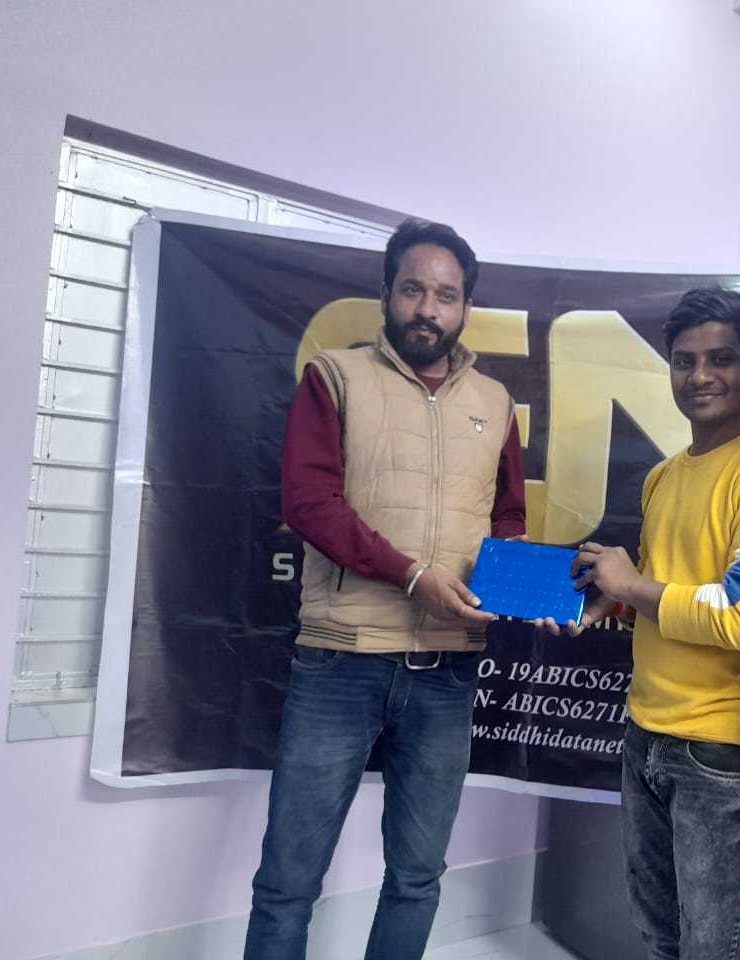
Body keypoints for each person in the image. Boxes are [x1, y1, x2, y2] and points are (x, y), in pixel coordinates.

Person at [244, 219, 526, 960]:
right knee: (287, 883)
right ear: (385, 294)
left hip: (449, 671)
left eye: (446, 296)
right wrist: (411, 576)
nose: (428, 309)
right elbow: (309, 503)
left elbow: (508, 517)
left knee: (417, 878)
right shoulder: (335, 376)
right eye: (413, 290)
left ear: (466, 307)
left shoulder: (495, 401)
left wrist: (525, 591)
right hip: (341, 661)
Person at [547, 287, 740, 960]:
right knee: (661, 938)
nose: (700, 375)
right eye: (684, 361)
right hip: (647, 733)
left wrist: (631, 584)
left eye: (721, 359)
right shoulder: (663, 476)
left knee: (713, 949)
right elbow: (672, 588)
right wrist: (612, 602)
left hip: (723, 752)